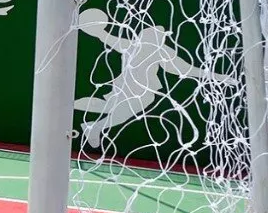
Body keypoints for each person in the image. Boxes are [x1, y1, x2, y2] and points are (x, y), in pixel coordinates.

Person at [75, 17, 230, 150]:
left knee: (109, 107)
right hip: (131, 89)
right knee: (113, 109)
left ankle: (86, 120)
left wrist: (217, 77)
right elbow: (104, 36)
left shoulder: (157, 51)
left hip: (138, 91)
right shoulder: (134, 45)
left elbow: (185, 69)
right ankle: (90, 124)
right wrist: (92, 26)